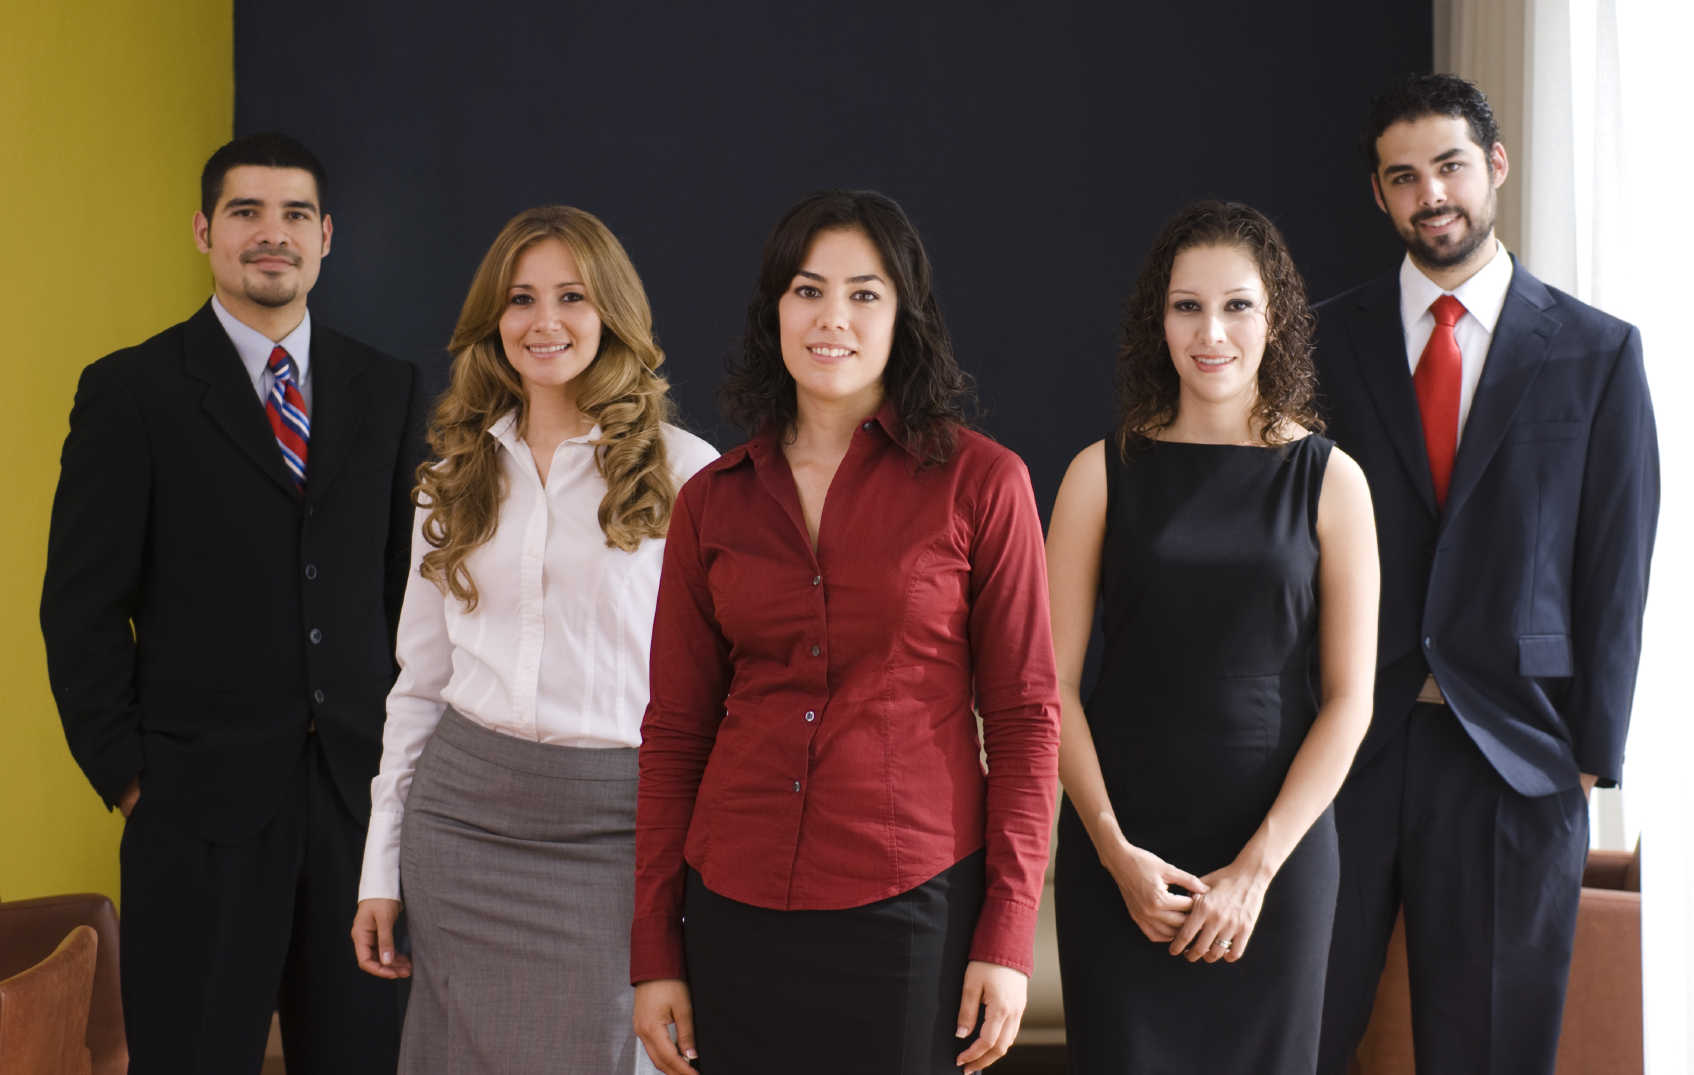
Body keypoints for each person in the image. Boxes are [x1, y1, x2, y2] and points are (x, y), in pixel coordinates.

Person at [630, 189, 1060, 1075]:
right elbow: (675, 732)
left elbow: (1025, 720)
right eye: (808, 290)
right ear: (774, 311)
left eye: (865, 293)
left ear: (905, 316)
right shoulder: (709, 501)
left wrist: (1008, 934)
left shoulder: (984, 483)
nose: (833, 318)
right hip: (733, 904)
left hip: (912, 906)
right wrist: (656, 949)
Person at [40, 133, 424, 1074]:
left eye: (295, 214)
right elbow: (81, 607)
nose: (272, 233)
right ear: (204, 231)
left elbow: (406, 592)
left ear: (326, 236)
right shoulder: (131, 390)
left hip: (356, 804)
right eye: (246, 212)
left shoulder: (388, 387)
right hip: (195, 810)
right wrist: (132, 780)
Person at [1312, 74, 1659, 1075]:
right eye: (1402, 176)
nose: (1430, 193)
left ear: (1494, 166)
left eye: (1450, 165)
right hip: (1343, 744)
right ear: (1378, 194)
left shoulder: (1597, 352)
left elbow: (1616, 563)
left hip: (1515, 753)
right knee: (1295, 1036)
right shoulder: (1319, 341)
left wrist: (1587, 755)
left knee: (1492, 1051)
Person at [348, 206, 717, 1072]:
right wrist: (379, 868)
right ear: (494, 319)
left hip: (619, 830)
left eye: (572, 296)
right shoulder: (450, 481)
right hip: (460, 823)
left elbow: (721, 692)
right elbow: (417, 686)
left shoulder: (688, 473)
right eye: (520, 298)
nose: (544, 320)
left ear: (612, 312)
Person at [1046, 201, 1379, 1073]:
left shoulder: (1333, 480)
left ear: (1276, 320)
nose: (1212, 333)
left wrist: (1257, 871)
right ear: (1156, 322)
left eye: (1237, 306)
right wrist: (1113, 852)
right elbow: (1052, 688)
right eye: (1187, 307)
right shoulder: (1098, 473)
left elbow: (1350, 701)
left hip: (1276, 857)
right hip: (1125, 853)